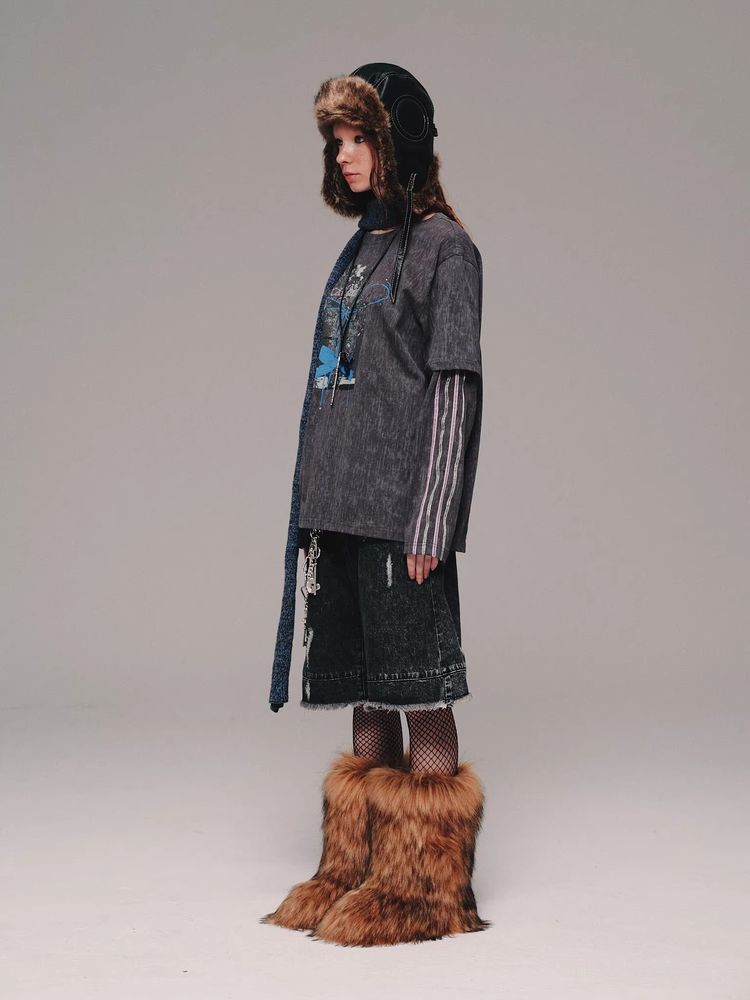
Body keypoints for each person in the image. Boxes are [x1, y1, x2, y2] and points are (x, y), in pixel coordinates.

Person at [261, 63, 490, 946]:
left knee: (418, 690)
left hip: (402, 513)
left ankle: (427, 888)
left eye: (360, 138)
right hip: (340, 510)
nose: (345, 156)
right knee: (365, 690)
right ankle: (355, 870)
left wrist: (433, 514)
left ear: (401, 142)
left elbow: (453, 388)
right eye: (337, 142)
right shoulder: (360, 251)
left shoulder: (446, 250)